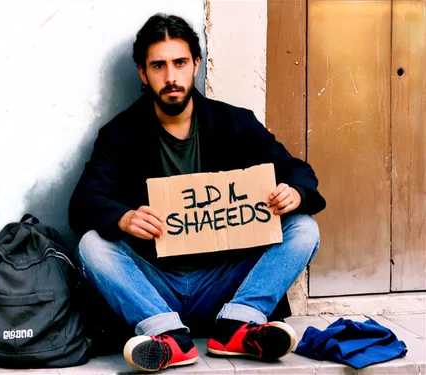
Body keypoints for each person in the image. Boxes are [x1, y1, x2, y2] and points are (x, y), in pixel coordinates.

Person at [69, 12, 326, 373]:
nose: (171, 77)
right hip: (155, 283)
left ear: (196, 66)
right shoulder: (121, 134)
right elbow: (82, 205)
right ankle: (167, 336)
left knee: (303, 228)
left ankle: (238, 326)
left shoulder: (234, 123)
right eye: (158, 66)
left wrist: (295, 193)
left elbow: (300, 172)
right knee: (92, 245)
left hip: (224, 280)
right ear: (143, 73)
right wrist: (124, 219)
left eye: (180, 63)